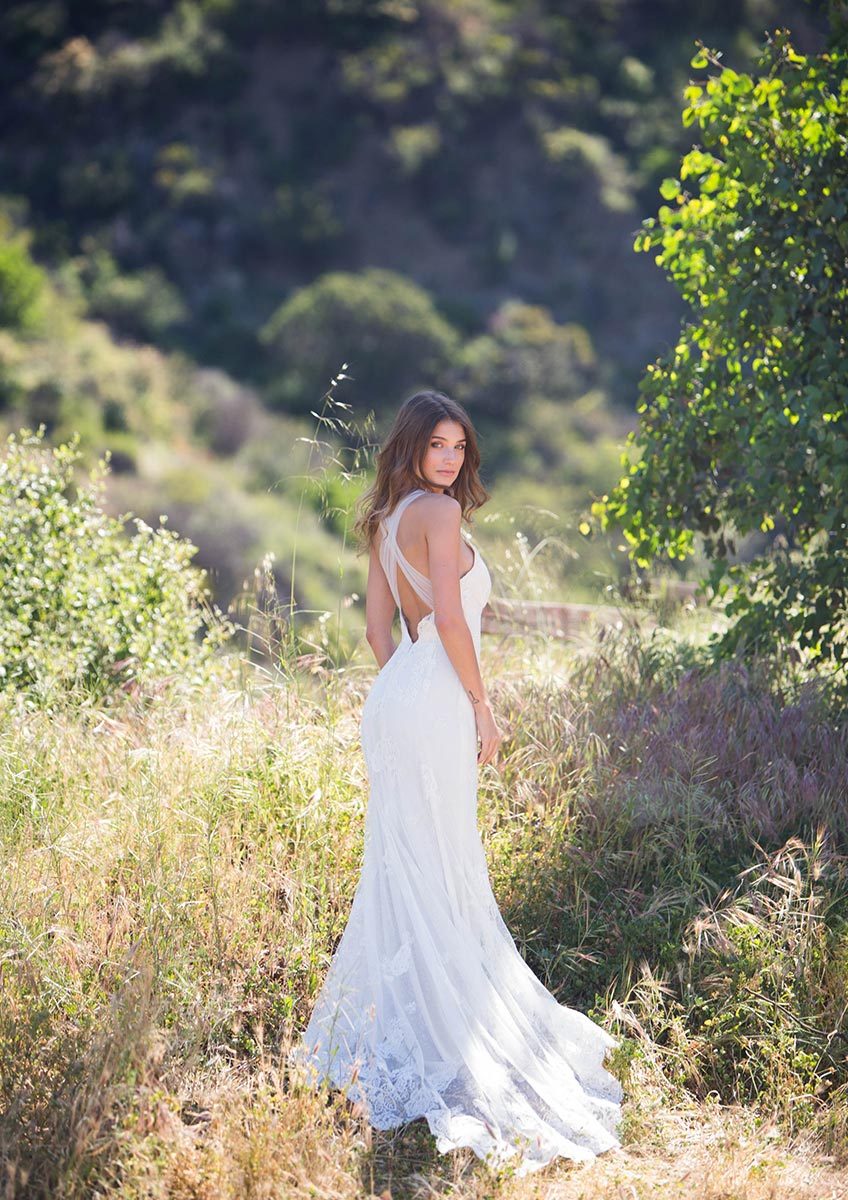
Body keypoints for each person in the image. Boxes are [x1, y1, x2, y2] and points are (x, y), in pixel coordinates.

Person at [289, 390, 623, 1174]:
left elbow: (378, 631)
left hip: (397, 696)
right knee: (442, 862)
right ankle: (450, 1033)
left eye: (458, 446)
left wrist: (407, 686)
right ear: (410, 446)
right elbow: (448, 619)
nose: (449, 459)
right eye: (437, 445)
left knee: (405, 863)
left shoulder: (384, 520)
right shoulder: (438, 514)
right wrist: (479, 704)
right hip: (436, 694)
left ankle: (405, 1028)